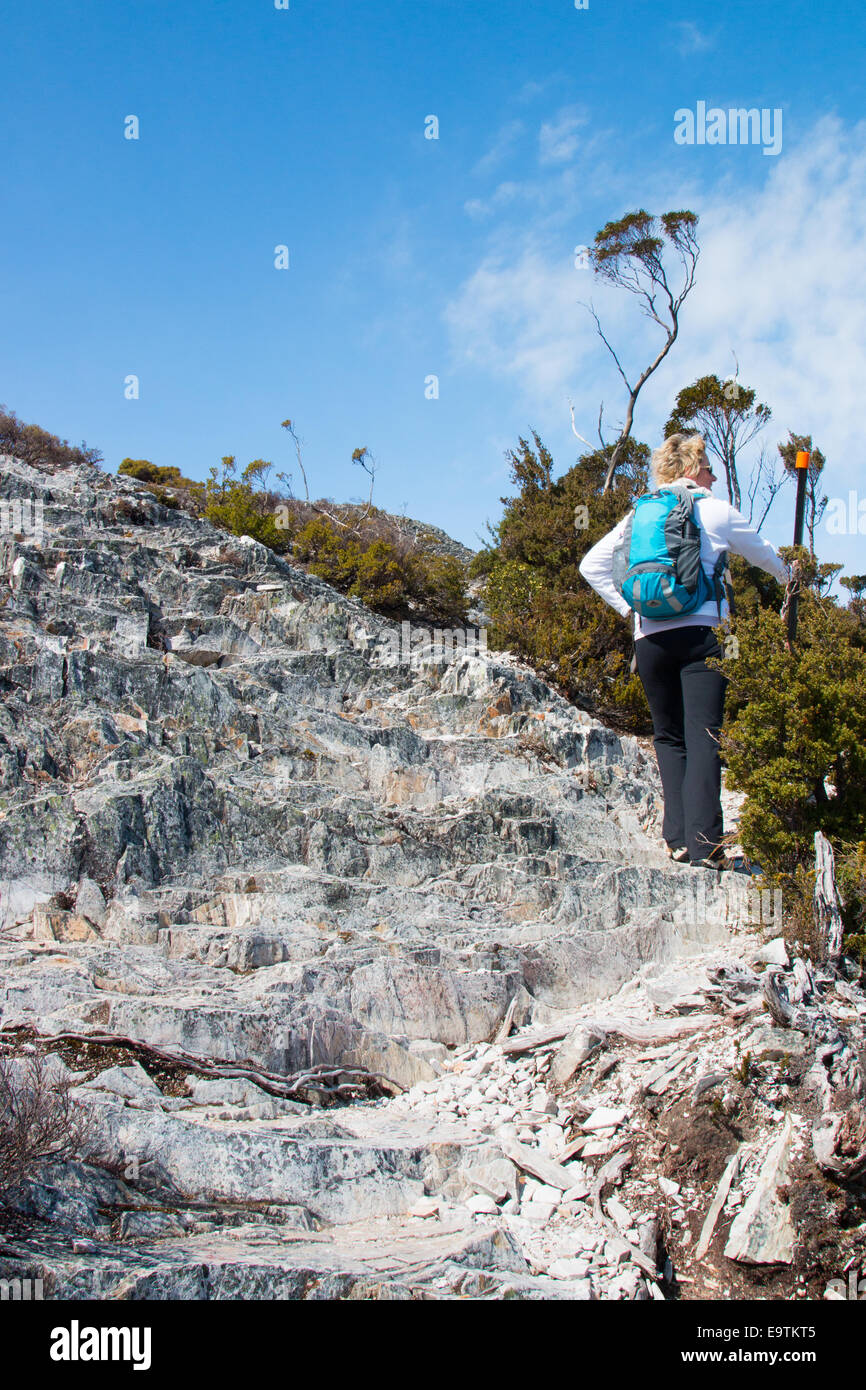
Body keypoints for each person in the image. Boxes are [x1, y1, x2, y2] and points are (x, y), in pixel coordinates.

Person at [579, 433, 787, 869]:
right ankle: (706, 846)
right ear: (693, 469)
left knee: (668, 738)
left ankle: (677, 841)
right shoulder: (714, 509)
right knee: (704, 737)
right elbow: (765, 556)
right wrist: (793, 578)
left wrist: (628, 610)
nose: (713, 476)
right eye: (709, 468)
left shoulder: (640, 514)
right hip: (702, 637)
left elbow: (591, 564)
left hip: (649, 639)